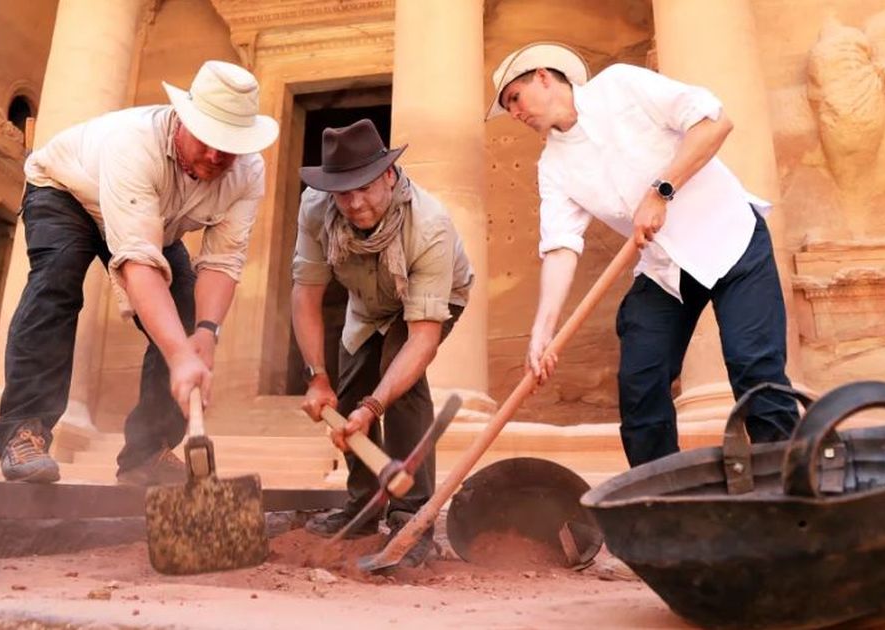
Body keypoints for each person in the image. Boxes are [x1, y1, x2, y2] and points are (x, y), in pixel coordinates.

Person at [488, 42, 797, 466]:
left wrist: (661, 190)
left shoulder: (621, 86)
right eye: (508, 108)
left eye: (515, 99)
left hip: (731, 241)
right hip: (665, 270)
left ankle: (790, 491)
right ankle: (658, 507)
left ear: (543, 76)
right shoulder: (553, 167)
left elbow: (714, 123)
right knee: (640, 382)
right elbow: (561, 246)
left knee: (754, 368)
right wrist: (544, 330)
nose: (515, 113)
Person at [0, 60, 279, 484]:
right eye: (208, 139)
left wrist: (204, 333)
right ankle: (22, 430)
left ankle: (147, 454)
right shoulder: (135, 142)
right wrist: (179, 357)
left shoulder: (248, 173)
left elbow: (222, 261)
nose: (217, 156)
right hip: (68, 192)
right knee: (57, 284)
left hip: (152, 220)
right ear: (182, 119)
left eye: (229, 145)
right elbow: (138, 262)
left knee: (181, 315)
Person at [291, 119, 473, 566]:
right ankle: (364, 505)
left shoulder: (429, 224)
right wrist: (316, 378)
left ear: (389, 176)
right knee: (349, 389)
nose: (353, 204)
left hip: (430, 301)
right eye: (343, 192)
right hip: (366, 304)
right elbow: (306, 293)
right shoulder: (316, 209)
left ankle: (413, 518)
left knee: (401, 387)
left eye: (364, 188)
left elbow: (422, 338)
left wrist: (374, 408)